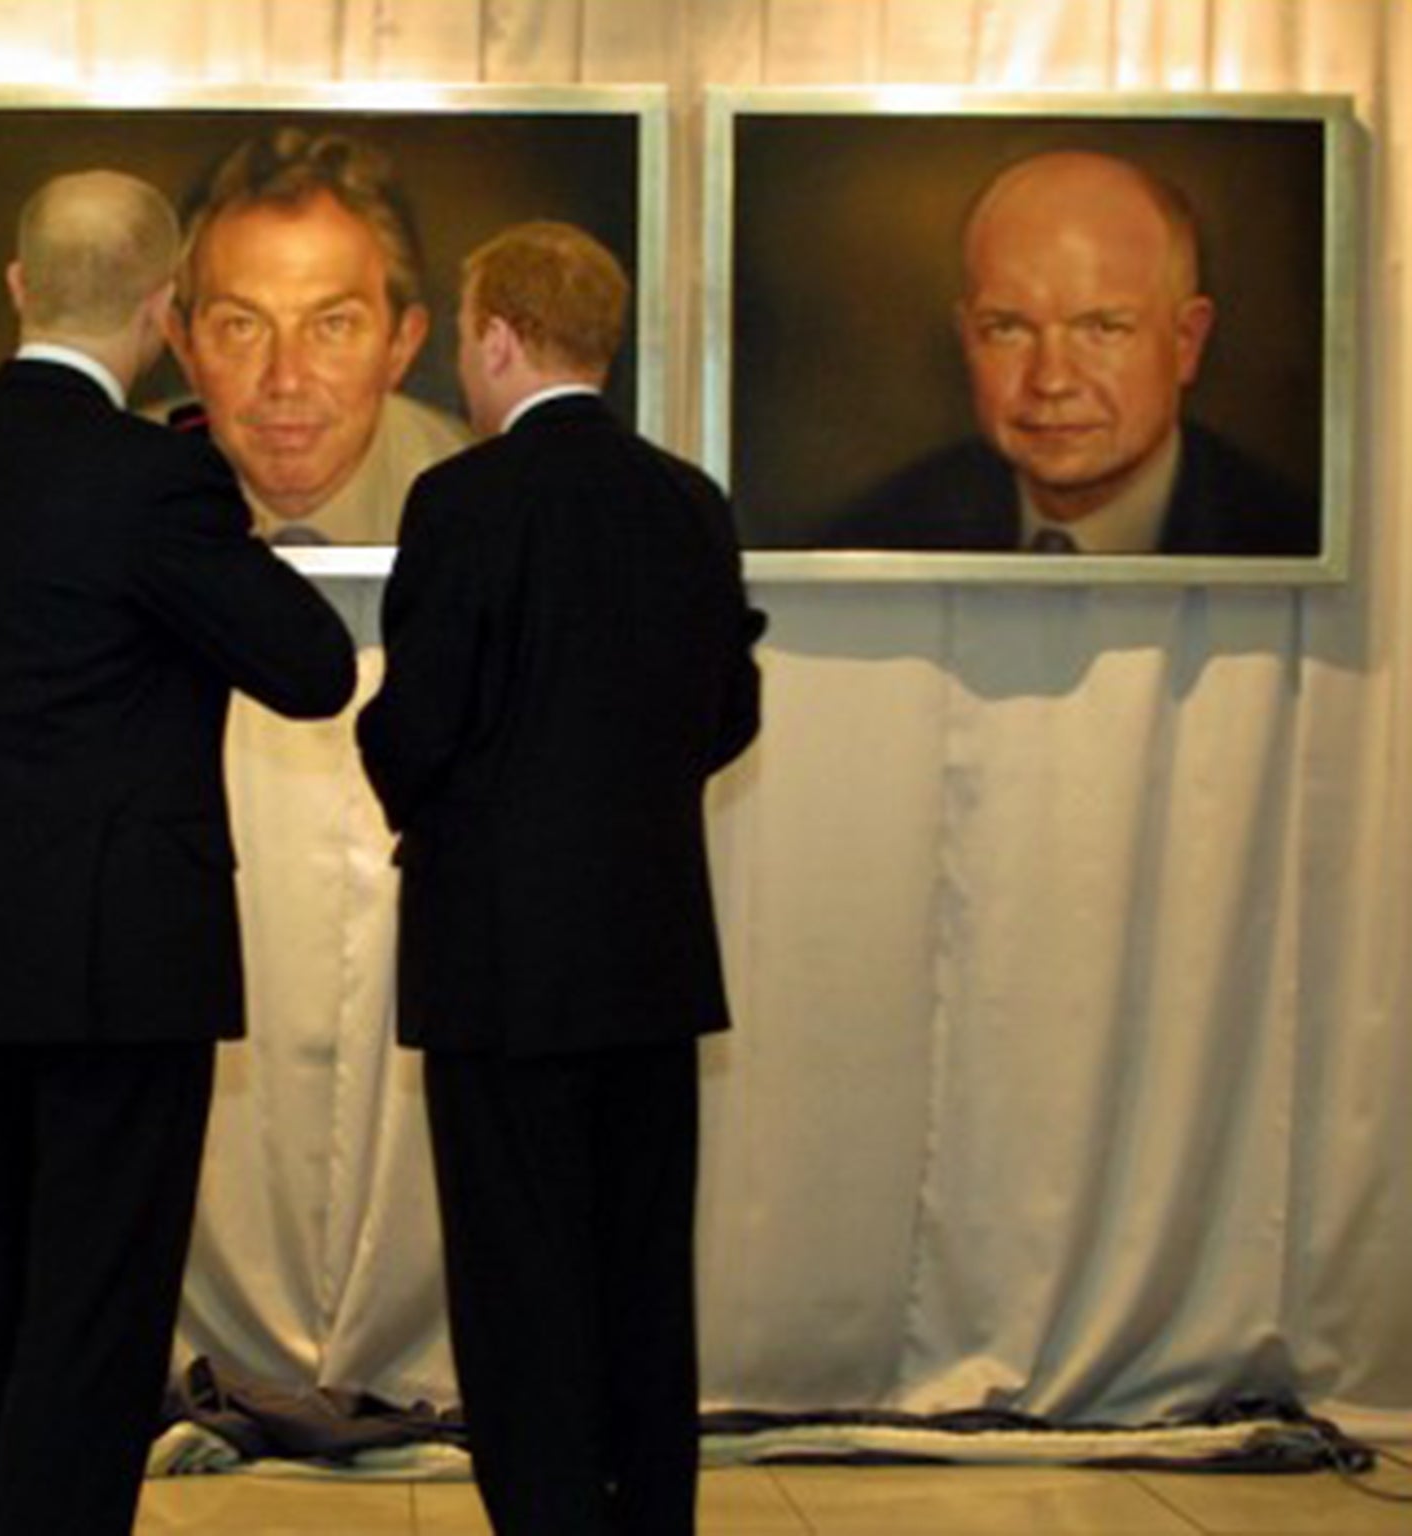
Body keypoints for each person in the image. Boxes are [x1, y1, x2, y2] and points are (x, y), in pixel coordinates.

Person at [0, 170, 355, 1536]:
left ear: (20, 286)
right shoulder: (159, 478)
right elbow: (312, 669)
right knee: (98, 1306)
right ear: (163, 311)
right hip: (124, 955)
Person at [357, 222, 766, 1536]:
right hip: (650, 956)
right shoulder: (687, 501)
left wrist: (410, 774)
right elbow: (732, 712)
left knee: (518, 1278)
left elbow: (417, 727)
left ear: (493, 337)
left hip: (499, 966)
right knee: (643, 1276)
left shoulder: (463, 503)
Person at [830, 148, 1317, 555]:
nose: (1051, 380)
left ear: (1186, 342)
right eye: (1007, 329)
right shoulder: (876, 537)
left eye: (1101, 328)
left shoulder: (1283, 535)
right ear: (967, 339)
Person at [165, 127, 470, 545]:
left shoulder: (489, 505)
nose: (286, 381)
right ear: (183, 345)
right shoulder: (108, 497)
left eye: (333, 326)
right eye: (242, 326)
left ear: (401, 345)